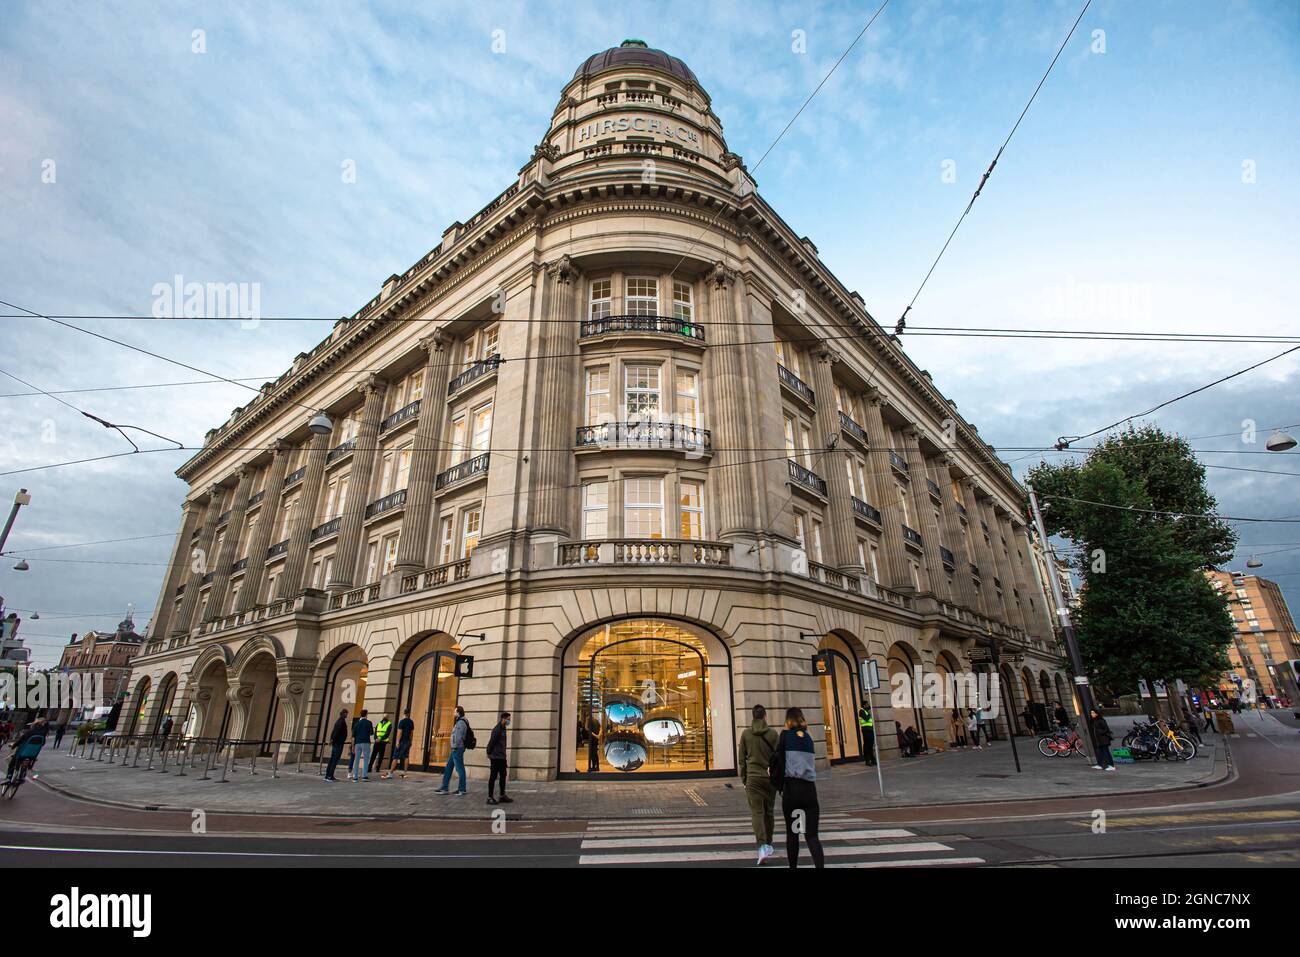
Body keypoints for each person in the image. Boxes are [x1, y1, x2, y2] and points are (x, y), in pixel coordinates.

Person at [774, 707, 824, 869]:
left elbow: (777, 760)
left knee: (793, 834)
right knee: (812, 836)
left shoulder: (785, 737)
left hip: (792, 791)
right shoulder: (808, 737)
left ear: (788, 721)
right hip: (809, 790)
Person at [737, 704, 779, 866]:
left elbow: (742, 759)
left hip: (753, 779)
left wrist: (744, 779)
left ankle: (761, 845)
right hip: (769, 779)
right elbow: (779, 758)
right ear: (765, 716)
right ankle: (768, 843)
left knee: (757, 813)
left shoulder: (746, 734)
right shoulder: (774, 734)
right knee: (769, 812)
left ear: (753, 716)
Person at [434, 706, 470, 795]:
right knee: (448, 768)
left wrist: (454, 747)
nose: (454, 713)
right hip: (455, 748)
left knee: (459, 768)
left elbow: (458, 737)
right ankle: (444, 787)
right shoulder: (460, 721)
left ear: (458, 712)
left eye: (455, 712)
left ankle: (462, 789)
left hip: (457, 748)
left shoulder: (461, 722)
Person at [4, 717, 48, 782]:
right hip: (33, 754)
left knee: (13, 762)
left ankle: (9, 776)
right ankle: (22, 774)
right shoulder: (43, 734)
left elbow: (20, 740)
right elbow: (43, 743)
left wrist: (13, 746)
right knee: (26, 760)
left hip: (22, 752)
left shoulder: (30, 731)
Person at [486, 712, 512, 805]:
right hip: (495, 757)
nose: (509, 721)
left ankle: (502, 795)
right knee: (493, 777)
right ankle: (489, 797)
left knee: (503, 776)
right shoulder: (497, 729)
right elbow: (491, 742)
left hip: (501, 757)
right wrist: (489, 752)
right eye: (508, 719)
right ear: (503, 719)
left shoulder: (504, 729)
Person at [383, 709, 415, 780]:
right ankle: (405, 773)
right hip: (407, 741)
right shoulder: (411, 722)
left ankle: (391, 773)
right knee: (406, 756)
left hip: (401, 741)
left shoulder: (402, 722)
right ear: (409, 713)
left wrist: (397, 741)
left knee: (395, 757)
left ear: (404, 713)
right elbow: (411, 733)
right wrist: (410, 741)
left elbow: (399, 732)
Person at [324, 708, 349, 782]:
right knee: (334, 759)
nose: (347, 715)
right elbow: (336, 732)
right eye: (346, 713)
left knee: (332, 759)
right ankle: (330, 776)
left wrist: (331, 739)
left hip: (336, 743)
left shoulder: (339, 721)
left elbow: (334, 731)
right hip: (338, 743)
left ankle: (327, 775)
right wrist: (333, 739)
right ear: (344, 713)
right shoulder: (341, 721)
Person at [856, 700, 876, 766]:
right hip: (866, 730)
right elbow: (866, 718)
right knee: (867, 745)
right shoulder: (861, 711)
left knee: (870, 745)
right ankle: (867, 760)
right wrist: (869, 713)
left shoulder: (866, 711)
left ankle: (872, 759)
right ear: (864, 705)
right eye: (867, 704)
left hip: (870, 730)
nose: (868, 705)